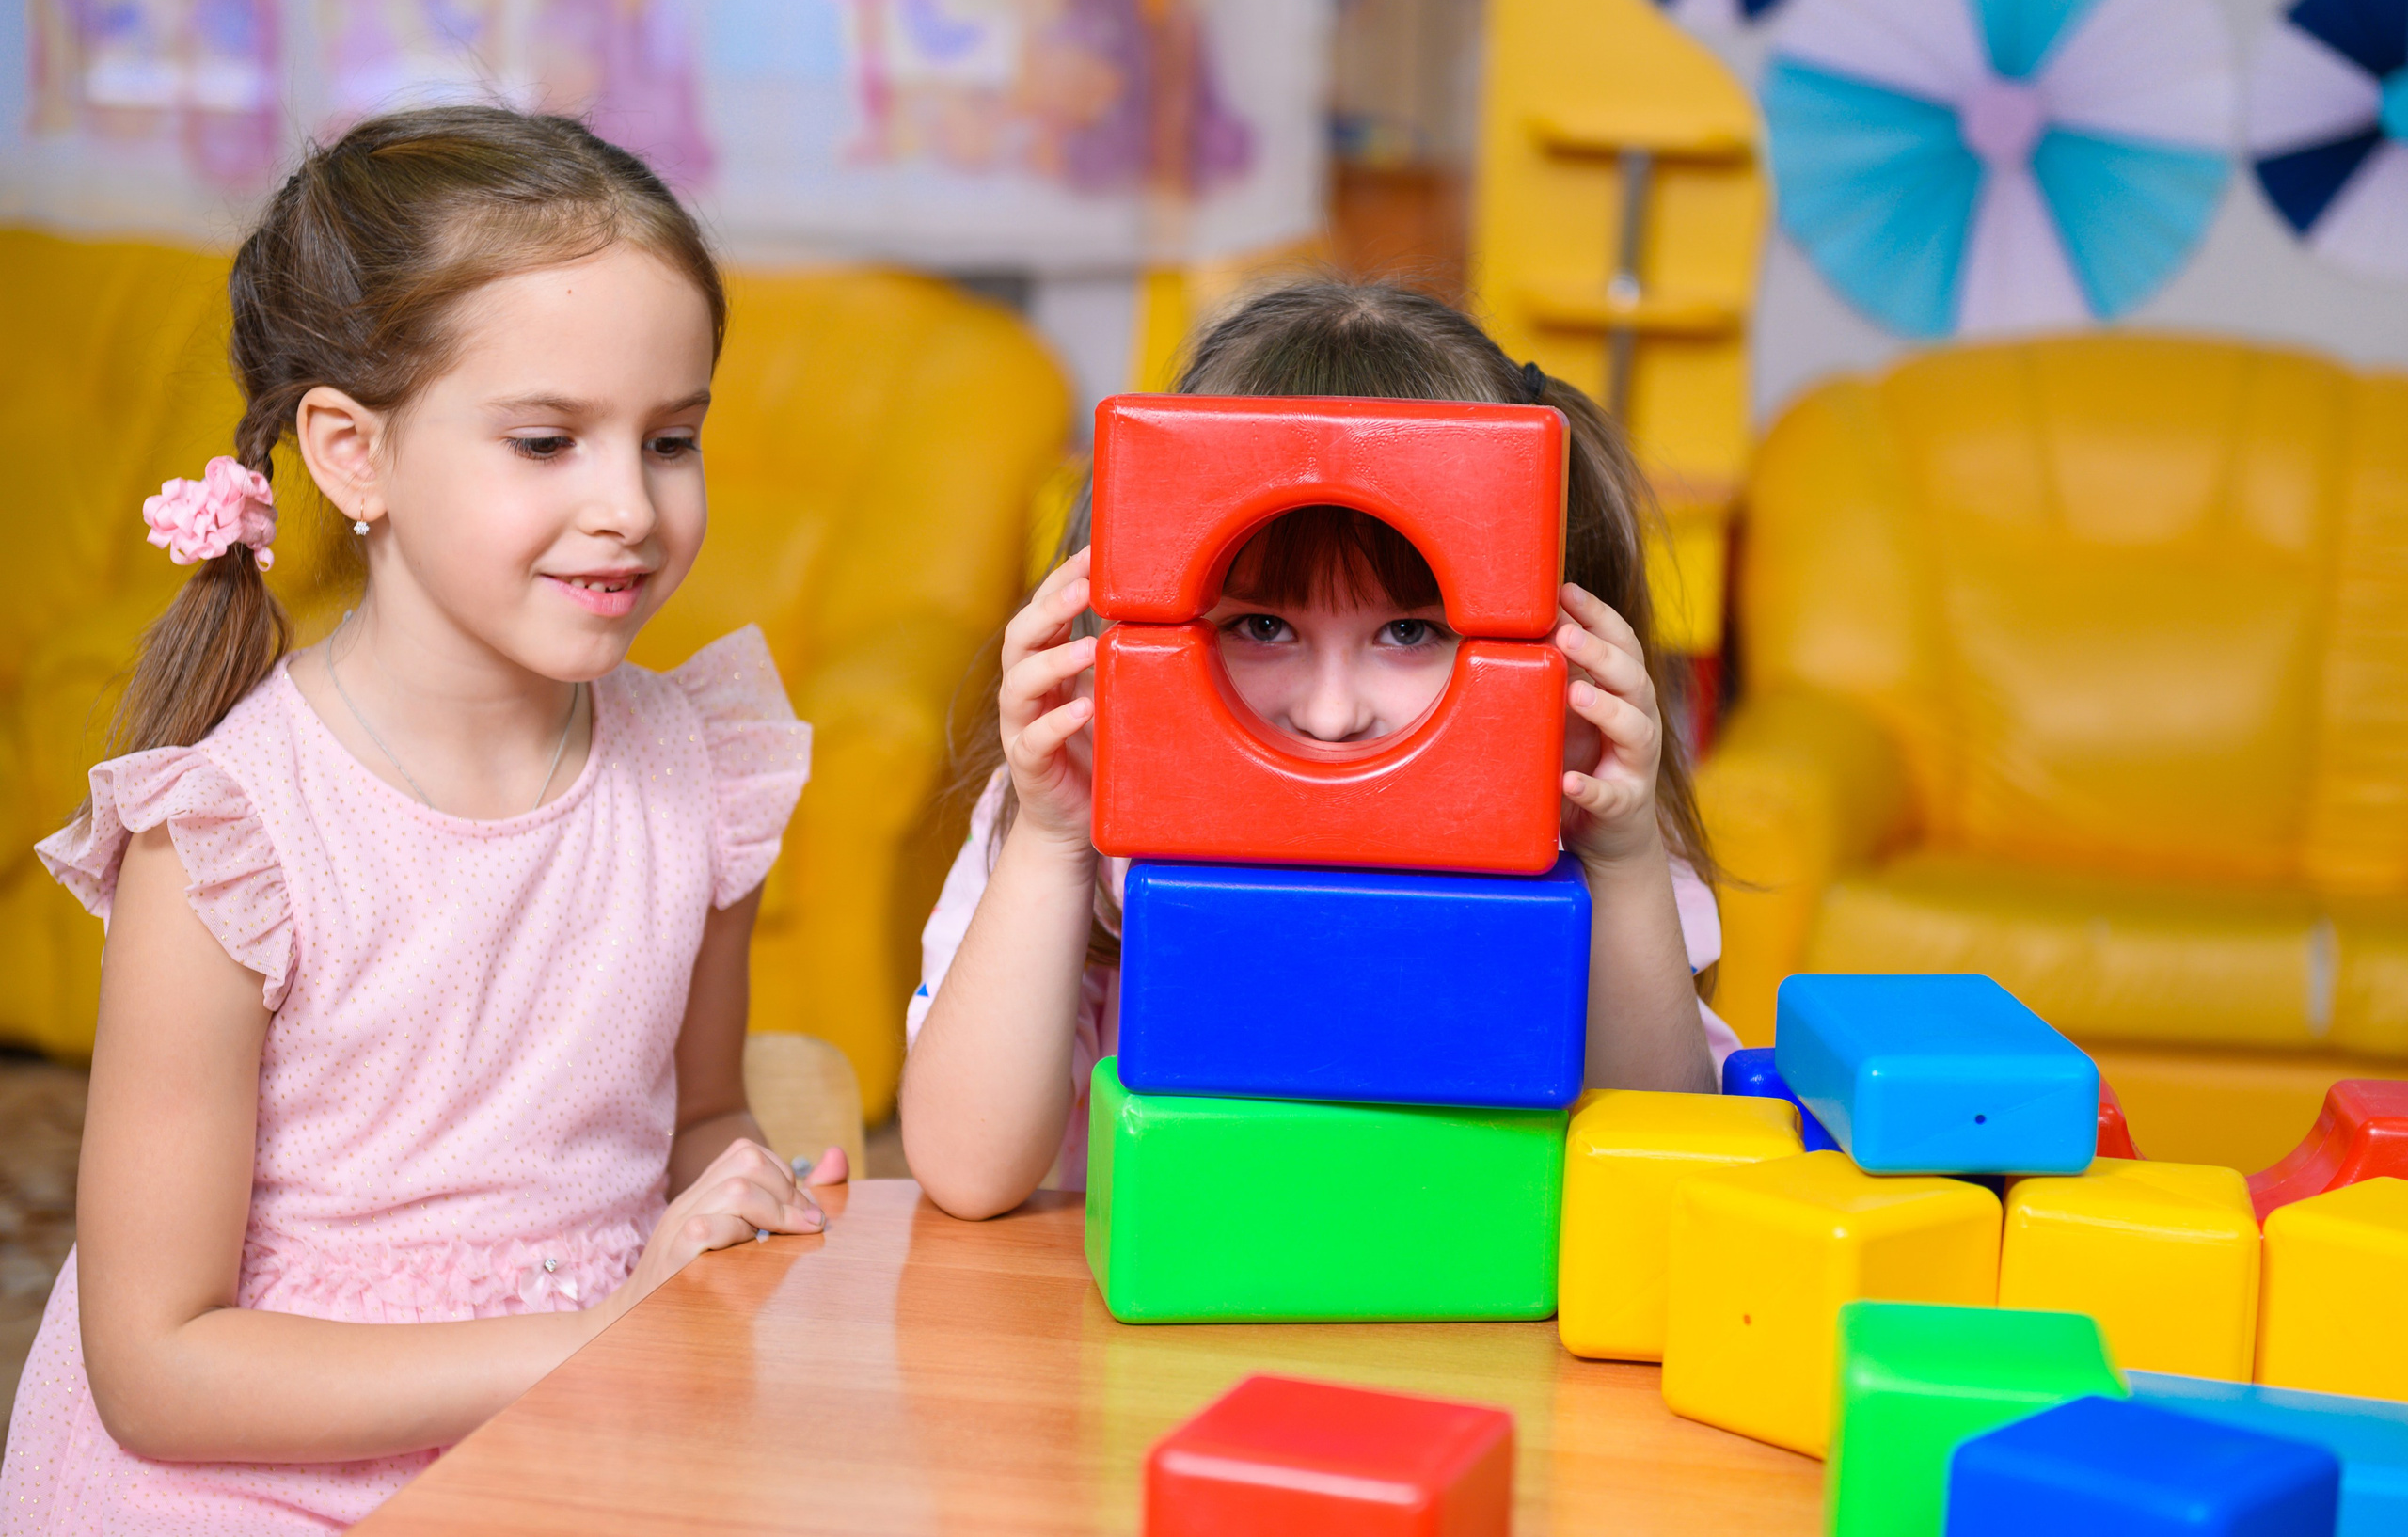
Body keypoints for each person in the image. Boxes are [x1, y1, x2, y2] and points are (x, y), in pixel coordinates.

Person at [0, 105, 842, 1533]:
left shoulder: (701, 773)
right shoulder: (228, 842)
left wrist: (736, 1198)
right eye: (545, 440)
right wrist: (599, 1335)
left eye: (671, 438)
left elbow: (696, 1113)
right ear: (352, 453)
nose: (628, 507)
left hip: (581, 1432)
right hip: (252, 1482)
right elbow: (157, 1369)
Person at [899, 281, 1739, 1222]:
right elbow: (967, 1172)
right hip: (1147, 1336)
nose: (1332, 716)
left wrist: (1620, 859)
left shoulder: (1586, 818)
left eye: (1411, 632)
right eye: (1263, 623)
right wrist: (1054, 841)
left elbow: (1652, 1171)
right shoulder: (1069, 812)